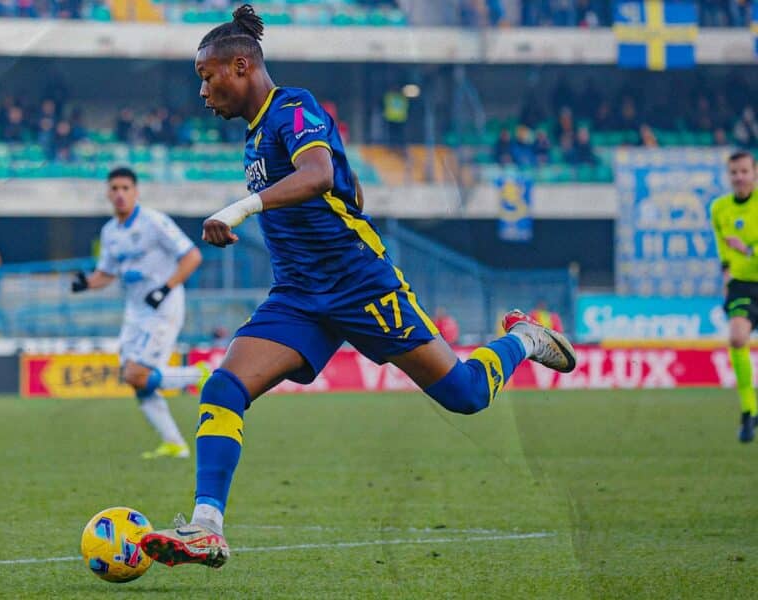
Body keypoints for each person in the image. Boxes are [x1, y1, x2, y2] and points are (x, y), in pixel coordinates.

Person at [139, 4, 578, 569]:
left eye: (207, 76)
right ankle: (206, 528)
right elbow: (344, 185)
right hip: (299, 296)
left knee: (466, 395)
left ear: (241, 66)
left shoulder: (293, 107)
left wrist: (242, 207)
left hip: (360, 284)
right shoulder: (255, 135)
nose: (202, 91)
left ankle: (523, 339)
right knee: (224, 388)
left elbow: (319, 174)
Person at [71, 167, 206, 459]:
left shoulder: (154, 222)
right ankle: (174, 444)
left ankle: (200, 375)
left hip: (163, 306)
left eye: (125, 188)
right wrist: (87, 283)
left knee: (137, 374)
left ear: (136, 192)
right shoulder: (110, 232)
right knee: (135, 379)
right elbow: (106, 273)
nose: (120, 194)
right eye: (115, 189)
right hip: (135, 312)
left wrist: (165, 288)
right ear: (108, 193)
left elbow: (193, 256)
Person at [710, 150, 758, 442]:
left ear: (755, 172)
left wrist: (748, 250)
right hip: (742, 285)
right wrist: (726, 272)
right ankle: (748, 411)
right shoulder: (720, 208)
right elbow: (722, 243)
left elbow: (738, 245)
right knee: (737, 338)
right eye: (734, 172)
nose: (739, 177)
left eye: (744, 171)